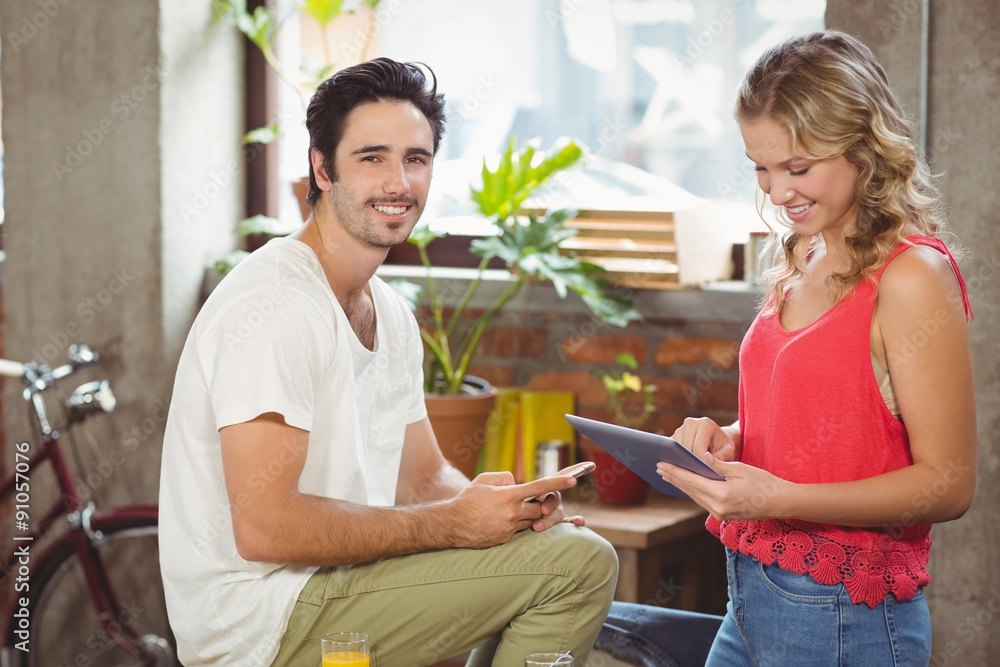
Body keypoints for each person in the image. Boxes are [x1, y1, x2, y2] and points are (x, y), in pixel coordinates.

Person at [158, 57, 617, 667]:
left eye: (416, 159)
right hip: (261, 620)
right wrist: (452, 526)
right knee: (580, 566)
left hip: (335, 586)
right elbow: (265, 527)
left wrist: (504, 514)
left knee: (560, 547)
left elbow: (424, 478)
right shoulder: (276, 305)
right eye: (371, 157)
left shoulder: (390, 312)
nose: (398, 182)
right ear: (323, 169)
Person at [656, 31, 976, 666]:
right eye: (761, 168)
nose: (777, 192)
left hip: (843, 616)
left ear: (865, 148)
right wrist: (732, 437)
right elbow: (828, 420)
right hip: (750, 594)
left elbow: (948, 484)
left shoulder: (913, 278)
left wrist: (780, 499)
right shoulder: (802, 251)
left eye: (798, 168)